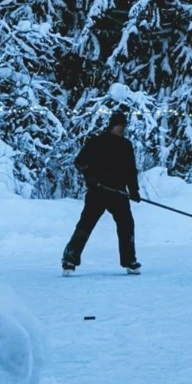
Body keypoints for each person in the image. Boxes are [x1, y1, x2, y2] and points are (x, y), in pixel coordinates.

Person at [62, 111, 142, 274]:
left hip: (119, 193)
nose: (122, 129)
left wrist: (134, 190)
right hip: (97, 192)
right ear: (111, 126)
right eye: (119, 126)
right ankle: (69, 259)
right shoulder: (96, 142)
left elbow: (130, 170)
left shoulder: (126, 145)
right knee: (86, 224)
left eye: (124, 126)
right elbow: (80, 162)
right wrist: (91, 178)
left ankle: (129, 260)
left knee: (126, 225)